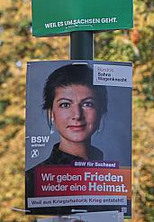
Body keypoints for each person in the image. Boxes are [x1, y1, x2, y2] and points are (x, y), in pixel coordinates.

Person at [25, 64, 109, 213]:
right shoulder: (33, 181)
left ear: (101, 110)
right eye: (65, 104)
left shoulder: (114, 179)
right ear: (51, 113)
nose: (77, 115)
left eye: (87, 104)